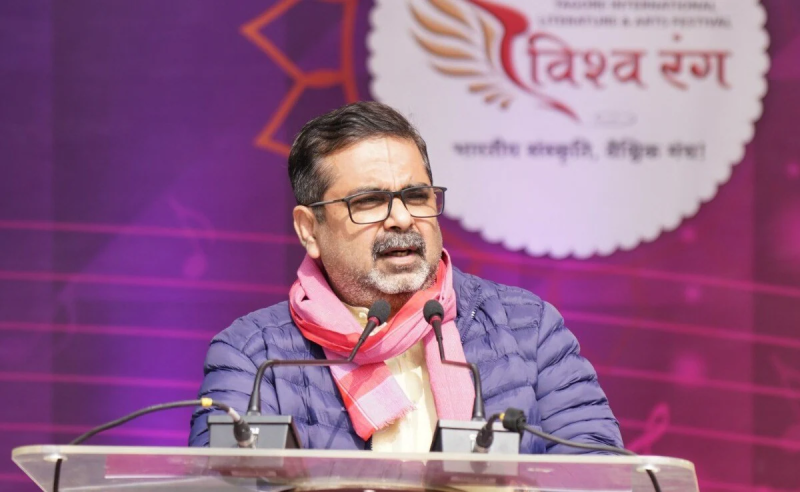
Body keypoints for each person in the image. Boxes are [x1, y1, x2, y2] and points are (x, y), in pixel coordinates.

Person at [189, 101, 622, 453]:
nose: (401, 218)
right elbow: (222, 484)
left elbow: (600, 474)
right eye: (370, 201)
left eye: (416, 196)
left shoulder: (528, 328)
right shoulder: (254, 355)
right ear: (309, 230)